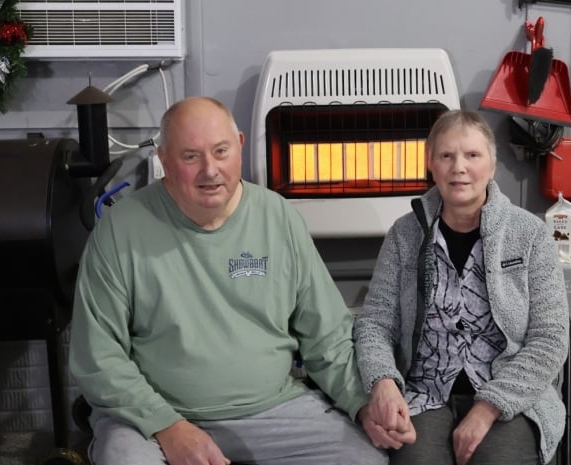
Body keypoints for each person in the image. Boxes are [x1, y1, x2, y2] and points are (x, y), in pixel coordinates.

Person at [68, 96, 398, 465]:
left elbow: (327, 338)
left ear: (239, 145)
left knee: (366, 460)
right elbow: (99, 358)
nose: (210, 170)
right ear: (163, 159)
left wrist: (361, 403)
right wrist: (169, 426)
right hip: (154, 419)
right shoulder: (120, 229)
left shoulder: (278, 217)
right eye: (190, 156)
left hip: (274, 409)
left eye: (221, 151)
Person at [353, 109, 570, 465]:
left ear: (492, 164)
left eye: (472, 155)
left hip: (510, 397)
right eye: (446, 155)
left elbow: (550, 339)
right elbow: (375, 323)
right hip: (424, 394)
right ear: (431, 165)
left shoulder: (529, 235)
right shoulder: (404, 235)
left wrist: (487, 408)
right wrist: (383, 383)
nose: (459, 167)